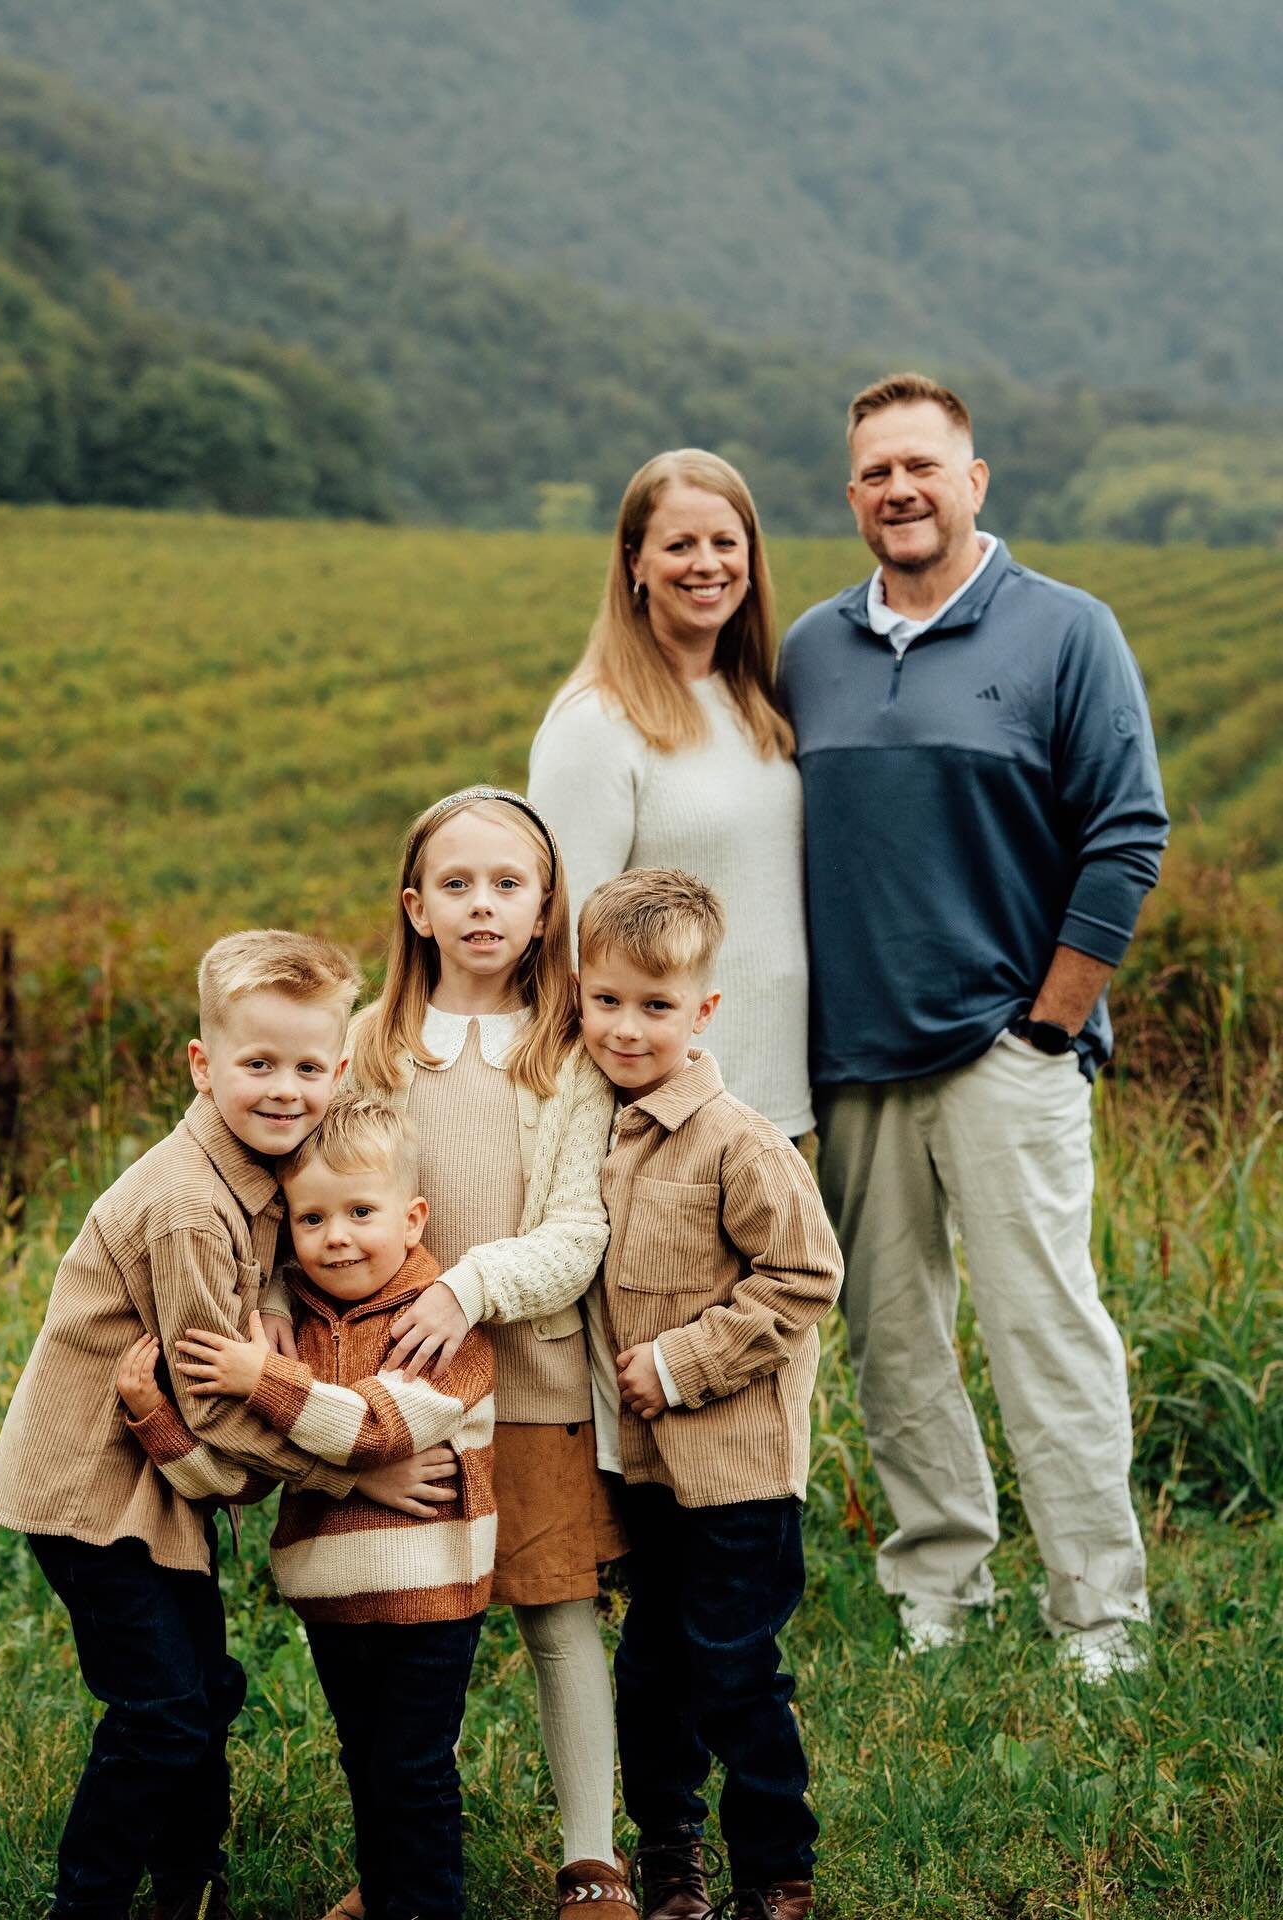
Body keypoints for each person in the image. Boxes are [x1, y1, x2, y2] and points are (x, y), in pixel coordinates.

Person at [777, 371, 1170, 1679]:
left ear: (973, 480)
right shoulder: (812, 650)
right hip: (853, 1062)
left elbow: (1126, 838)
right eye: (876, 471)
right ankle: (941, 1585)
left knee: (1045, 1331)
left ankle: (1098, 1611)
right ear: (853, 496)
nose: (899, 488)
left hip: (1009, 1049)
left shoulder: (1066, 630)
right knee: (894, 1339)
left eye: (922, 466)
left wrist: (1051, 1028)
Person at [0, 929, 421, 1920]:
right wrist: (352, 1470)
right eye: (256, 1065)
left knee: (206, 1691)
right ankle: (86, 1904)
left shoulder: (265, 1177)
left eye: (308, 1068)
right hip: (93, 1491)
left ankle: (190, 1887)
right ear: (202, 1063)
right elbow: (219, 1396)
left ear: (338, 1070)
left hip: (158, 1489)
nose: (284, 1090)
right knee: (162, 1712)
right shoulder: (188, 1204)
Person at [260, 788, 635, 1920]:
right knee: (408, 1638)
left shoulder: (567, 1054)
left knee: (557, 1612)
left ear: (542, 909)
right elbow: (311, 1200)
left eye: (508, 885)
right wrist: (277, 1301)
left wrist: (471, 1287)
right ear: (416, 909)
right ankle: (397, 1864)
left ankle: (592, 1858)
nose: (483, 907)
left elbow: (578, 1230)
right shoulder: (368, 1045)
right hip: (390, 1393)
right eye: (458, 886)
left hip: (534, 1381)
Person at [117, 1093, 495, 1920]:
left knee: (414, 1767)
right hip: (330, 1596)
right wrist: (157, 1423)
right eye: (312, 1218)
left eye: (362, 1211)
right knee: (365, 1757)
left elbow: (374, 1429)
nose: (337, 1236)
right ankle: (388, 1888)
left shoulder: (440, 1327)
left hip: (427, 1595)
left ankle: (423, 1904)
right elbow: (247, 1477)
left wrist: (261, 1380)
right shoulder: (292, 1325)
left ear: (412, 1216)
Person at [576, 868, 842, 1920]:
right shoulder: (586, 1128)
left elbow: (805, 1279)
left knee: (735, 1671)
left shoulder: (740, 1139)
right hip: (641, 1471)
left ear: (704, 1011)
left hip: (738, 1470)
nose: (627, 1029)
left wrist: (684, 1362)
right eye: (606, 1001)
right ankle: (671, 1850)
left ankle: (777, 1871)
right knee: (651, 1672)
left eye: (657, 1006)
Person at [528, 449, 812, 1138]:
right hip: (667, 1119)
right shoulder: (595, 722)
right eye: (679, 545)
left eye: (724, 542)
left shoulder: (753, 703)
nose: (706, 564)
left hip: (775, 1100)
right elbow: (563, 942)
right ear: (635, 564)